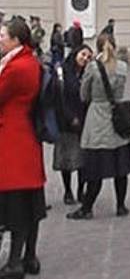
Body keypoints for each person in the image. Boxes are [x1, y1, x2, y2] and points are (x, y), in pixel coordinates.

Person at [67, 33, 130, 220]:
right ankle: (120, 206)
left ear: (97, 47)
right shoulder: (122, 67)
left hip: (97, 119)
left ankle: (87, 208)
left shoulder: (92, 67)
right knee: (120, 168)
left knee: (95, 168)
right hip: (117, 119)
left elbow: (84, 94)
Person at [0, 17, 46, 279]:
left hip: (12, 138)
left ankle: (14, 263)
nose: (0, 40)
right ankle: (29, 257)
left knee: (15, 205)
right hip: (26, 139)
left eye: (3, 36)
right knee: (31, 203)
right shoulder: (30, 62)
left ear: (16, 39)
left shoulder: (16, 68)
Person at [52, 44, 94, 205]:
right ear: (76, 53)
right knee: (66, 159)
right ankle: (68, 190)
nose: (85, 59)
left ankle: (81, 190)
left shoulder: (87, 73)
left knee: (83, 158)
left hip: (84, 120)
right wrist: (70, 117)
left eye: (88, 57)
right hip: (65, 121)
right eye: (83, 54)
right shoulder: (62, 71)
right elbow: (59, 97)